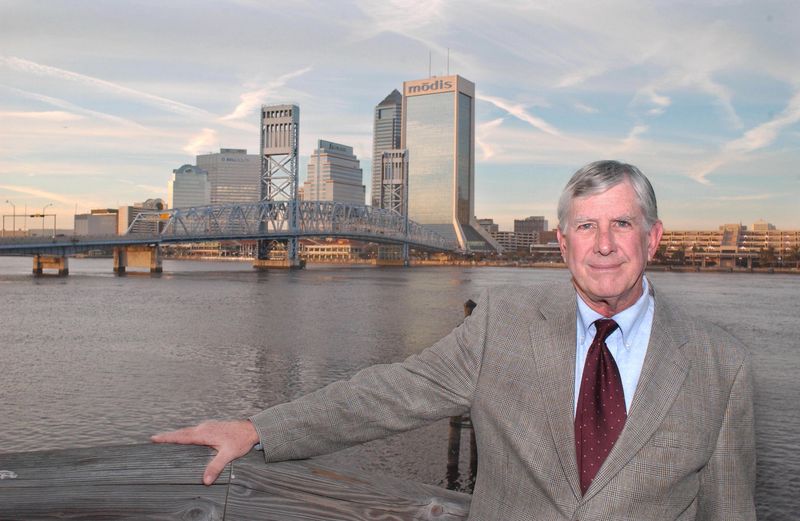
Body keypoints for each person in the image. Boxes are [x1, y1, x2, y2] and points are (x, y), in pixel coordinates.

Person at [153, 160, 755, 520]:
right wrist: (259, 428)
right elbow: (391, 392)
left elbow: (730, 511)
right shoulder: (502, 326)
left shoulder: (718, 364)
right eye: (585, 227)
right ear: (563, 241)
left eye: (621, 224)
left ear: (652, 239)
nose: (603, 244)